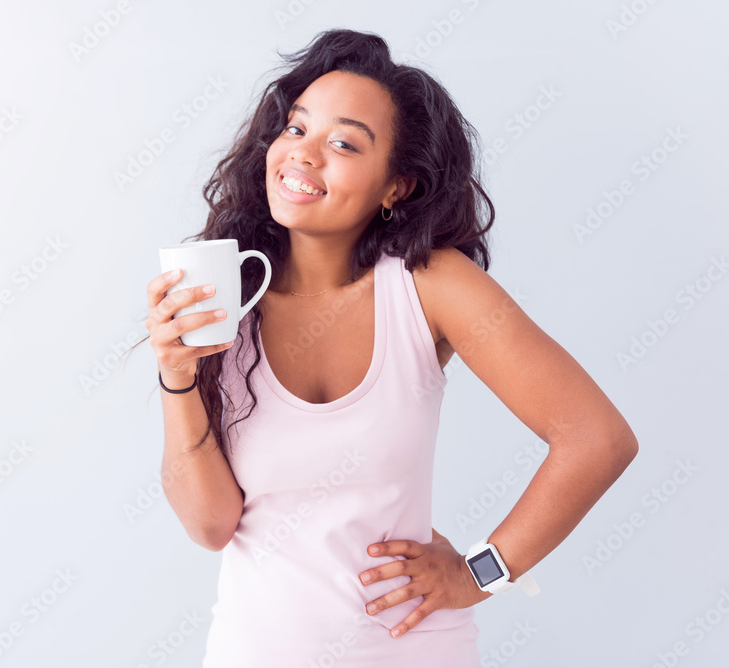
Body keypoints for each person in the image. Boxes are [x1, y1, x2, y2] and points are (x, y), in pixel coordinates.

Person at [137, 29, 638, 666]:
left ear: (395, 186)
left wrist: (480, 572)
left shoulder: (430, 285)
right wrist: (176, 375)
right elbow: (211, 526)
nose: (303, 155)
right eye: (295, 129)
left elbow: (596, 437)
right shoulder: (224, 304)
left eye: (343, 142)